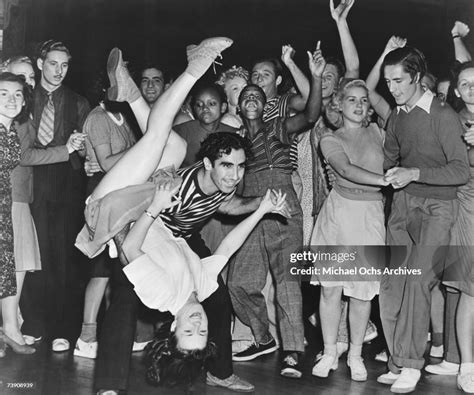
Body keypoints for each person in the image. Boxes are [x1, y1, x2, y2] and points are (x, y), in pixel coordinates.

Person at [77, 38, 268, 394]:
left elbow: (132, 250)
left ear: (173, 328)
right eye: (202, 331)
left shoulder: (162, 296)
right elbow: (226, 249)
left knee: (157, 139)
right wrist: (263, 211)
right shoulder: (200, 285)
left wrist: (154, 208)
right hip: (136, 207)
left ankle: (194, 68)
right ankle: (131, 93)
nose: (198, 323)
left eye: (188, 330)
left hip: (111, 214)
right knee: (176, 145)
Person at [228, 43, 324, 378]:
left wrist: (314, 74)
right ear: (239, 107)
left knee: (287, 282)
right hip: (252, 211)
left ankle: (294, 352)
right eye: (246, 96)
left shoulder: (280, 126)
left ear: (266, 102)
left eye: (258, 94)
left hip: (283, 205)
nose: (252, 98)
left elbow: (312, 115)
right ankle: (263, 337)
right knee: (239, 282)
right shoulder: (234, 142)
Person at [377, 46, 469, 394]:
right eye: (388, 82)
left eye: (398, 80)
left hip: (439, 207)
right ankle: (398, 359)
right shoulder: (397, 115)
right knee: (393, 283)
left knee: (418, 281)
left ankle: (413, 365)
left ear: (417, 77)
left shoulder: (443, 114)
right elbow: (390, 157)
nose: (393, 88)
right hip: (403, 203)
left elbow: (460, 170)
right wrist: (389, 173)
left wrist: (414, 172)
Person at [0, 56, 85, 354]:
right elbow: (24, 157)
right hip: (9, 200)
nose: (23, 87)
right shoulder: (12, 123)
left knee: (14, 266)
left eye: (25, 85)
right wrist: (65, 150)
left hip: (18, 197)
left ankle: (10, 326)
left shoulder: (17, 122)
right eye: (11, 86)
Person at [310, 79, 387, 382]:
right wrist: (384, 180)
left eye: (364, 100)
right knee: (330, 288)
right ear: (339, 105)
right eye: (351, 99)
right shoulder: (329, 138)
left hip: (369, 217)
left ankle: (355, 354)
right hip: (338, 216)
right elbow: (344, 169)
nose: (358, 105)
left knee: (362, 293)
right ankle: (330, 352)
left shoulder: (379, 132)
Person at [19, 40, 91, 353]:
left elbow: (87, 150)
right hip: (33, 181)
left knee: (64, 257)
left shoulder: (78, 101)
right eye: (52, 64)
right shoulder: (24, 98)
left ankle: (64, 329)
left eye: (64, 65)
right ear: (40, 63)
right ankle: (33, 323)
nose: (58, 71)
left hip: (67, 182)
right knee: (36, 256)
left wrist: (83, 147)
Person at [425, 62, 474, 394]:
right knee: (464, 288)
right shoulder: (452, 122)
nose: (471, 88)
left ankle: (456, 360)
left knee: (463, 289)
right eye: (465, 83)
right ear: (457, 90)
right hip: (465, 209)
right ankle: (464, 366)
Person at [0, 73, 32, 356]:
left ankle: (8, 330)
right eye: (4, 93)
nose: (12, 99)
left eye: (18, 93)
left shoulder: (10, 130)